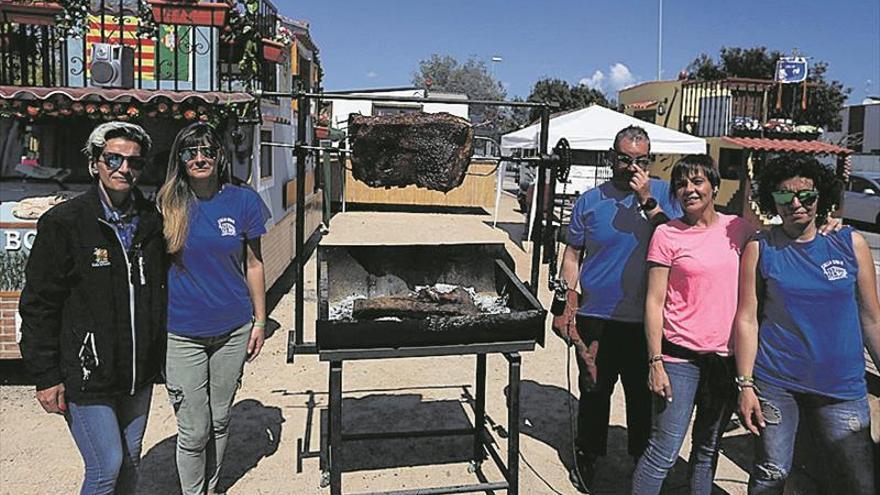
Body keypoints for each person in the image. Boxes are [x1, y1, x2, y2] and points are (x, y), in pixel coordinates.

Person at [19, 122, 166, 494]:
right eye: (113, 158)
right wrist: (46, 375)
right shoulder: (65, 223)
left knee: (131, 463)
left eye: (133, 162)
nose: (123, 169)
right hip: (87, 372)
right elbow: (38, 304)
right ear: (94, 163)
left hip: (136, 373)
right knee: (105, 466)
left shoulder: (150, 222)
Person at [734, 154, 879, 494]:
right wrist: (744, 384)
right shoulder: (759, 247)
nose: (795, 203)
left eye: (807, 196)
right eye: (784, 196)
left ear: (820, 198)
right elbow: (747, 318)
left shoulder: (849, 242)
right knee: (771, 474)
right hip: (776, 382)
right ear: (772, 200)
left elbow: (872, 318)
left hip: (842, 387)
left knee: (859, 482)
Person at [553, 125, 681, 492]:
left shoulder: (665, 196)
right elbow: (573, 253)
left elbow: (677, 242)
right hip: (597, 316)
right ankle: (588, 456)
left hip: (647, 319)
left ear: (650, 160)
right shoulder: (590, 201)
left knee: (643, 397)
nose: (632, 166)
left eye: (640, 160)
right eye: (624, 159)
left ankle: (643, 462)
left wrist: (646, 199)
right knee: (594, 390)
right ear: (612, 158)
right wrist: (567, 298)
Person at [157, 122, 270, 495]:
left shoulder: (244, 201)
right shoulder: (166, 204)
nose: (200, 158)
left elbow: (254, 264)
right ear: (181, 159)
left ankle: (210, 487)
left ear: (220, 156)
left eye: (207, 150)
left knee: (220, 420)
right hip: (182, 331)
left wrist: (260, 321)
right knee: (194, 428)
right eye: (191, 152)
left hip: (233, 329)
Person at [630, 155, 754, 495]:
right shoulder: (667, 235)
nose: (689, 190)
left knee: (706, 450)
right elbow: (654, 302)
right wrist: (655, 362)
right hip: (678, 359)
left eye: (697, 182)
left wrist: (829, 224)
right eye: (681, 184)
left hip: (724, 361)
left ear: (714, 186)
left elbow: (781, 242)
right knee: (663, 452)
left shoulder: (738, 229)